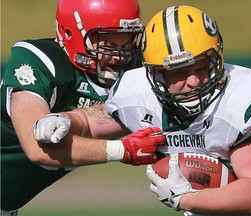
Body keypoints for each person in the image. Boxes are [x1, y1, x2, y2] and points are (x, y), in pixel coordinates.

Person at [33, 4, 251, 216]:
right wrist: (65, 119)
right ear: (155, 74)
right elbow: (93, 121)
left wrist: (185, 200)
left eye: (202, 66)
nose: (194, 80)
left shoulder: (240, 98)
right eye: (179, 72)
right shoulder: (139, 94)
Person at [0, 0, 166, 214]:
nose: (120, 56)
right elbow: (36, 147)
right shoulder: (40, 61)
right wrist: (123, 150)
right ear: (70, 33)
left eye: (127, 43)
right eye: (108, 44)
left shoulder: (136, 76)